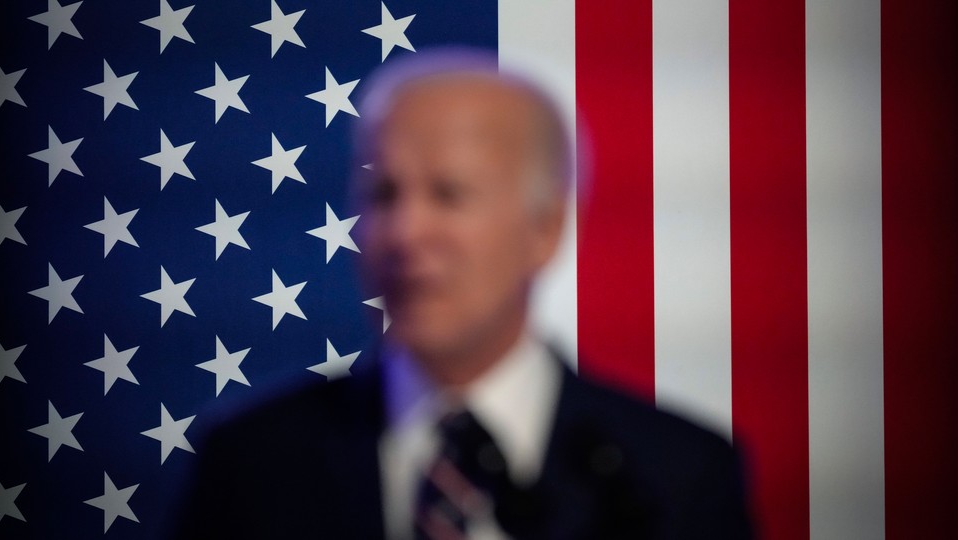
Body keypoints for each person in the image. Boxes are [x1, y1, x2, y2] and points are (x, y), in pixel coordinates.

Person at [171, 49, 751, 539]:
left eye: (448, 194)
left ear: (544, 229)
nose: (404, 232)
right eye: (383, 194)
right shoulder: (252, 463)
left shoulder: (675, 477)